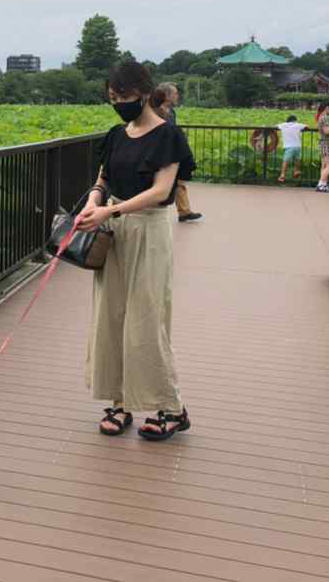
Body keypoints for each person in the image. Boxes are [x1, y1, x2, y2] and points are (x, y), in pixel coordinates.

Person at [76, 62, 195, 442]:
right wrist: (93, 202)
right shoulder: (115, 135)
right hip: (115, 228)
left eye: (123, 97)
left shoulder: (168, 136)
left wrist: (109, 209)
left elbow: (162, 191)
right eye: (112, 98)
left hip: (149, 227)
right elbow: (103, 178)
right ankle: (120, 401)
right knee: (110, 316)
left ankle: (171, 407)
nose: (118, 104)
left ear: (143, 94)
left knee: (147, 318)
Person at [157, 82, 202, 223]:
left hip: (172, 150)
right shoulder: (155, 111)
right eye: (175, 93)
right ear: (166, 95)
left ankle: (184, 211)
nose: (178, 96)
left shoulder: (172, 112)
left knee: (179, 180)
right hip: (160, 152)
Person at [276, 114, 306, 183]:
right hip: (297, 146)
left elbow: (276, 126)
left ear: (288, 120)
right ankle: (296, 171)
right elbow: (306, 126)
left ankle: (283, 174)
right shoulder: (298, 125)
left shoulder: (283, 125)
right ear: (295, 120)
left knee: (286, 160)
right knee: (297, 159)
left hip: (288, 146)